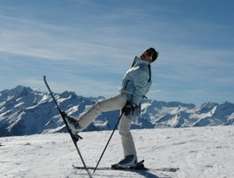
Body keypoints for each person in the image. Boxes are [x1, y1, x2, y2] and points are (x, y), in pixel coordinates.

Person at [62, 47, 159, 168]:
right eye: (146, 51)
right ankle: (131, 158)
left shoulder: (143, 70)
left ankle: (77, 126)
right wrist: (132, 105)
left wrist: (131, 104)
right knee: (124, 129)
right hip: (129, 101)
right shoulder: (139, 66)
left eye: (150, 54)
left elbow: (140, 91)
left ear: (151, 59)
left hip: (126, 99)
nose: (146, 54)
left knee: (99, 107)